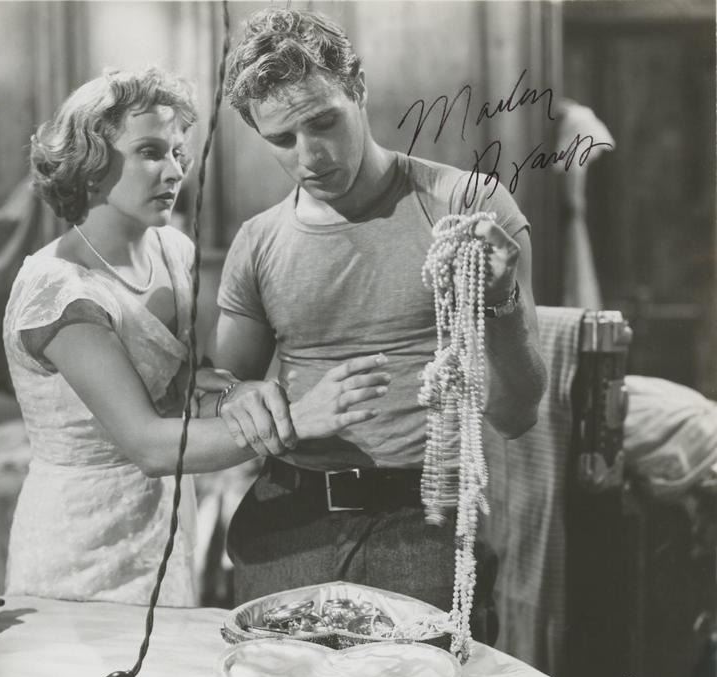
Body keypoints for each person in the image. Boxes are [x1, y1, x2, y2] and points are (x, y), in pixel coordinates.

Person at [209, 9, 549, 634]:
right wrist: (236, 394)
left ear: (358, 90)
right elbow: (218, 393)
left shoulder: (463, 207)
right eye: (281, 139)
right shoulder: (258, 242)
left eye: (323, 122)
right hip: (285, 518)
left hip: (422, 520)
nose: (310, 156)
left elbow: (517, 413)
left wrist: (499, 300)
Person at [2, 67, 391, 607]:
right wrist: (298, 419)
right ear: (90, 164)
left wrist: (233, 391)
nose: (175, 171)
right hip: (78, 541)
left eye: (179, 153)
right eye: (149, 152)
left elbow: (177, 382)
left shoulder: (173, 251)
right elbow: (148, 444)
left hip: (163, 523)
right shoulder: (58, 292)